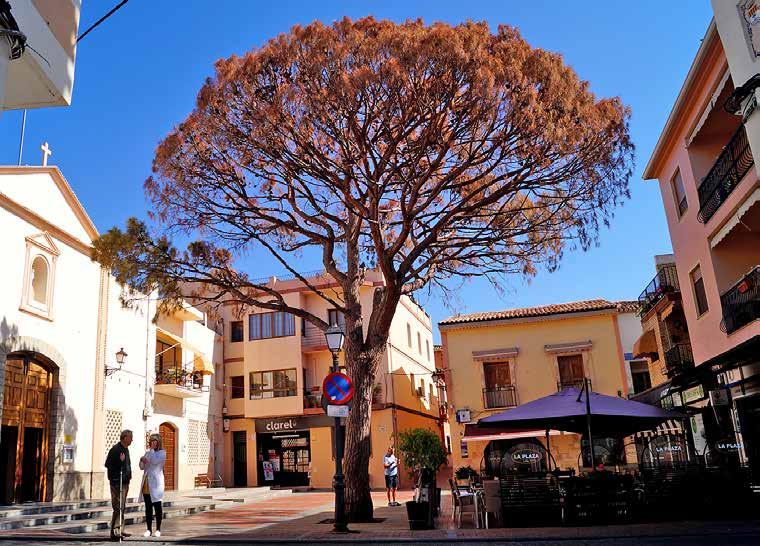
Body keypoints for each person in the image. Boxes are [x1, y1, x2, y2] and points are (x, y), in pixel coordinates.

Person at [104, 430, 133, 541]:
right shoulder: (115, 449)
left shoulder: (126, 449)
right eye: (130, 437)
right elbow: (108, 464)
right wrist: (119, 462)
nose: (132, 439)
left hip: (125, 482)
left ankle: (120, 529)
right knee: (118, 507)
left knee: (122, 507)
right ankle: (115, 532)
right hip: (117, 482)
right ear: (124, 437)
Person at [139, 433, 166, 538]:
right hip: (147, 483)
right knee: (148, 507)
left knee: (158, 507)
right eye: (151, 441)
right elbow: (142, 467)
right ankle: (148, 529)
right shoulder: (148, 453)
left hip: (156, 484)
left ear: (158, 442)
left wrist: (151, 452)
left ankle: (158, 529)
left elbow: (154, 461)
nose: (152, 443)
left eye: (154, 441)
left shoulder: (162, 453)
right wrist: (142, 460)